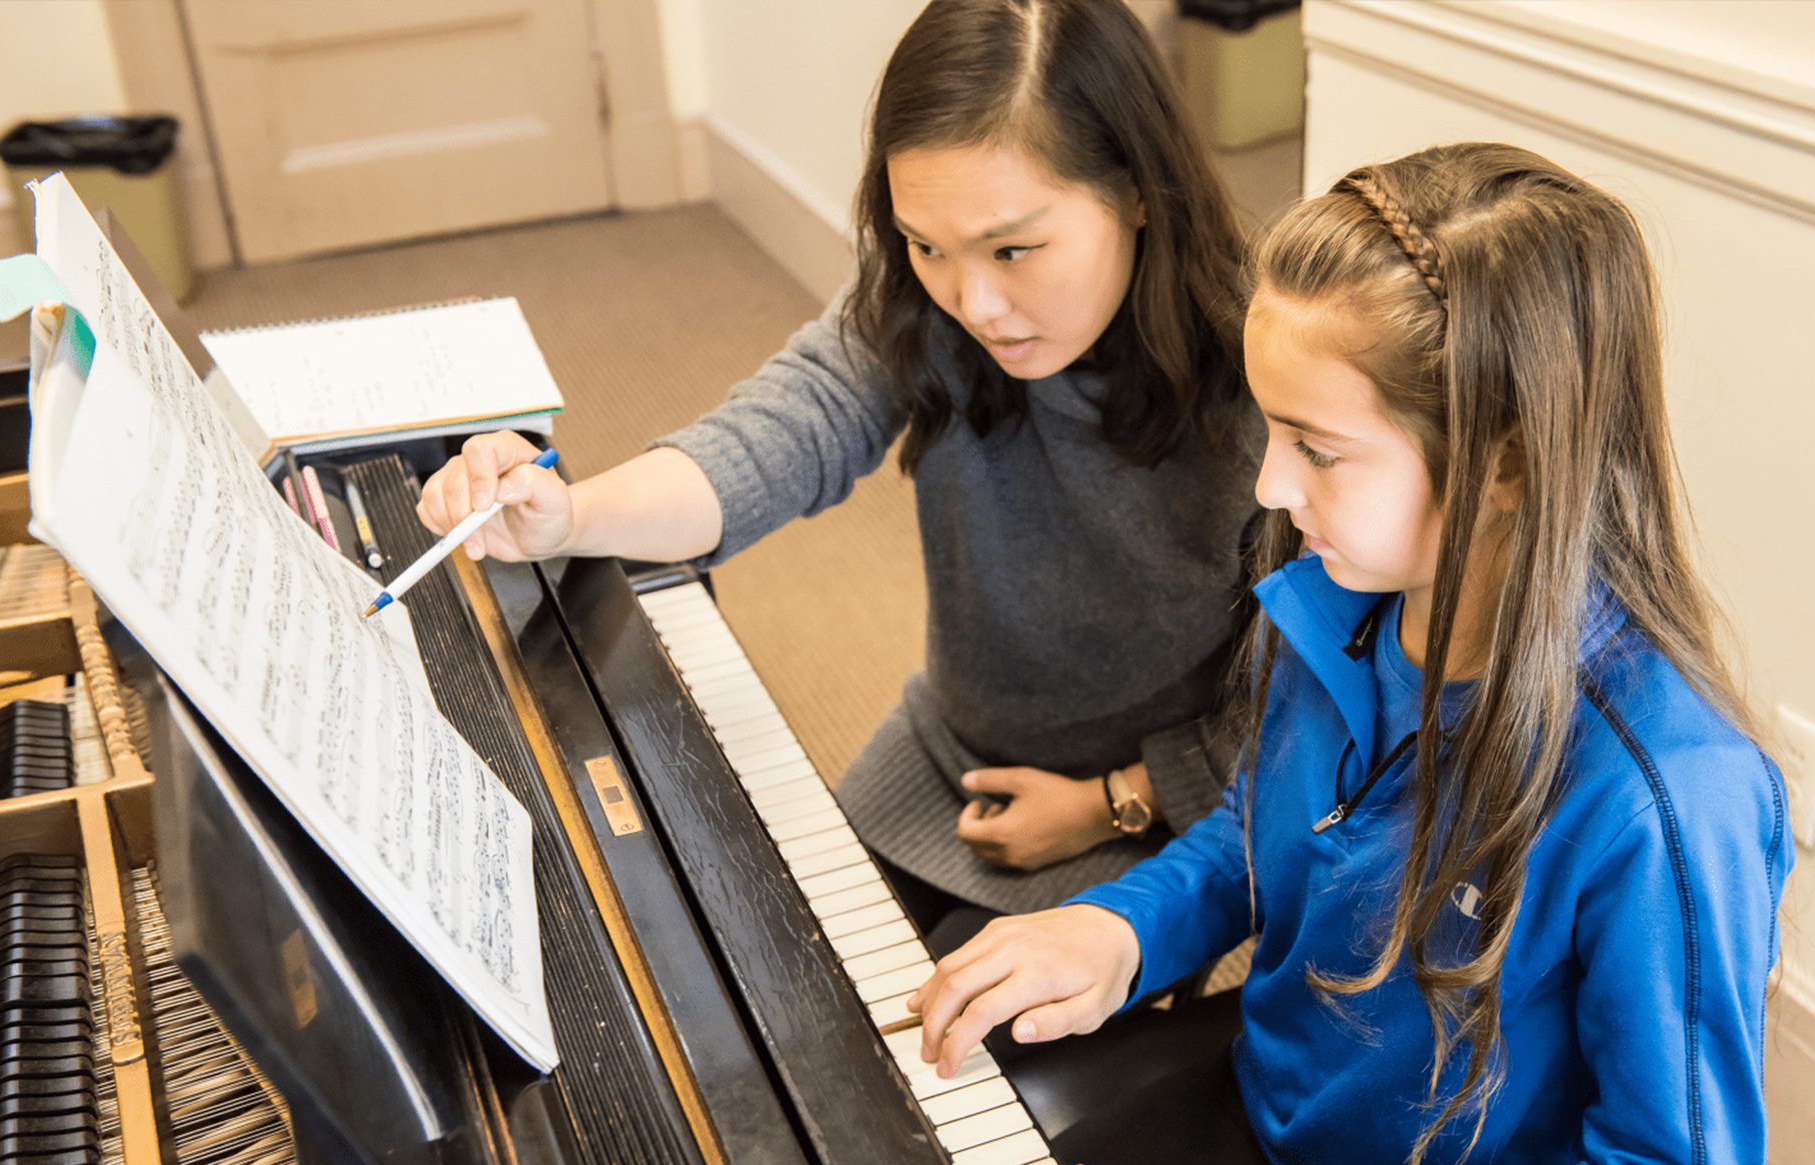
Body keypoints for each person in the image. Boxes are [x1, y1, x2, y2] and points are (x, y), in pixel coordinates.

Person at [910, 142, 1794, 1165]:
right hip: (1270, 1126)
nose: (1270, 487)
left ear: (1506, 460)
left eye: (1318, 450)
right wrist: (1121, 929)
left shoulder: (1671, 799)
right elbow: (1261, 831)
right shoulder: (1337, 596)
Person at [416, 0, 1261, 935]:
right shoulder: (926, 307)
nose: (975, 302)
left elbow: (1320, 714)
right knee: (771, 951)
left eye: (1014, 248)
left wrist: (1115, 800)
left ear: (1138, 189)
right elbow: (777, 434)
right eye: (926, 244)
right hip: (954, 748)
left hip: (1181, 812)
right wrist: (567, 514)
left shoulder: (1272, 382)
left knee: (949, 1060)